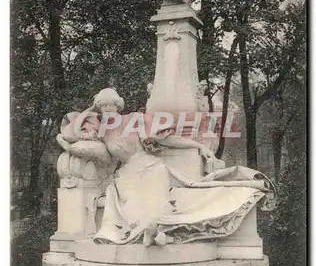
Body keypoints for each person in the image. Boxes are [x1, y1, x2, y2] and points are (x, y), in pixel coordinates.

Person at [57, 88, 274, 247]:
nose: (107, 110)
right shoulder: (102, 130)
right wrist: (90, 109)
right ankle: (151, 230)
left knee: (154, 187)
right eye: (103, 106)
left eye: (110, 105)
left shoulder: (135, 120)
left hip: (152, 166)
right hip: (127, 173)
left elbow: (170, 140)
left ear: (118, 106)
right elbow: (70, 133)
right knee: (130, 194)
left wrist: (199, 145)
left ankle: (156, 229)